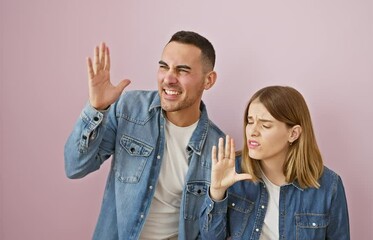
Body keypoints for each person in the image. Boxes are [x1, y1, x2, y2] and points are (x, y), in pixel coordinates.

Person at [64, 31, 225, 240]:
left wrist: (218, 196)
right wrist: (96, 109)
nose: (168, 78)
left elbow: (211, 233)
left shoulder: (218, 148)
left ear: (208, 80)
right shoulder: (128, 110)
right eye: (163, 67)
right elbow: (75, 167)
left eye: (182, 70)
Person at [200, 86, 350, 239]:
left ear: (293, 134)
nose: (253, 131)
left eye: (265, 125)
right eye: (250, 122)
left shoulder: (329, 186)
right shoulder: (233, 172)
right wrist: (217, 193)